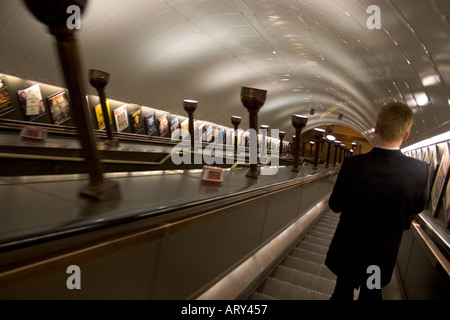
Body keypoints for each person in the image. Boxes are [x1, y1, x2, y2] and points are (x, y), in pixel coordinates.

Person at [325, 102, 430, 300]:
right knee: (371, 293)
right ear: (406, 134)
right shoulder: (420, 171)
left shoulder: (353, 166)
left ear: (376, 128)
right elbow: (418, 207)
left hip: (349, 251)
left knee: (342, 292)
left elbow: (335, 205)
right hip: (381, 254)